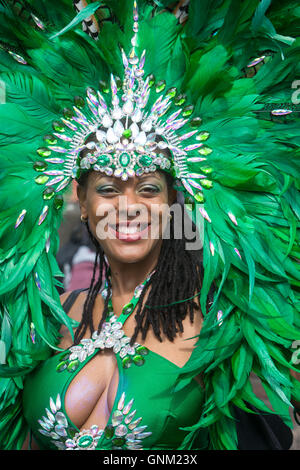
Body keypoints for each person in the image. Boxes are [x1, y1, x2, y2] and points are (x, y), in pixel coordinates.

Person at [0, 0, 299, 451]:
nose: (128, 208)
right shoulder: (48, 317)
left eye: (148, 189)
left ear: (173, 203)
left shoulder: (224, 326)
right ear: (81, 203)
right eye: (107, 190)